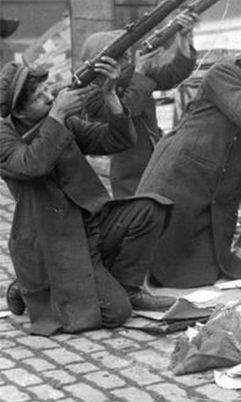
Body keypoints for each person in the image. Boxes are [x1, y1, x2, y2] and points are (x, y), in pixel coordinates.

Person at [0, 58, 174, 335]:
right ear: (19, 112)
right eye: (38, 97)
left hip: (90, 222)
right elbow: (32, 165)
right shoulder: (6, 135)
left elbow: (115, 140)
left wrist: (110, 95)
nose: (49, 97)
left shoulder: (58, 121)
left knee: (150, 209)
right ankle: (27, 287)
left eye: (46, 89)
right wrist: (57, 115)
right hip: (55, 239)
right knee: (115, 312)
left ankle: (127, 288)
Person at [135, 24, 241, 288]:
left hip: (217, 167)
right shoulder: (224, 72)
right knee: (174, 235)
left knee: (210, 243)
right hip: (186, 164)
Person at [80, 12, 198, 198]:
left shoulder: (132, 77)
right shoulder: (90, 97)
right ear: (103, 65)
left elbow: (174, 74)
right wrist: (140, 71)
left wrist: (182, 38)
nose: (128, 60)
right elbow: (127, 111)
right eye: (122, 57)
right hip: (129, 178)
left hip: (157, 164)